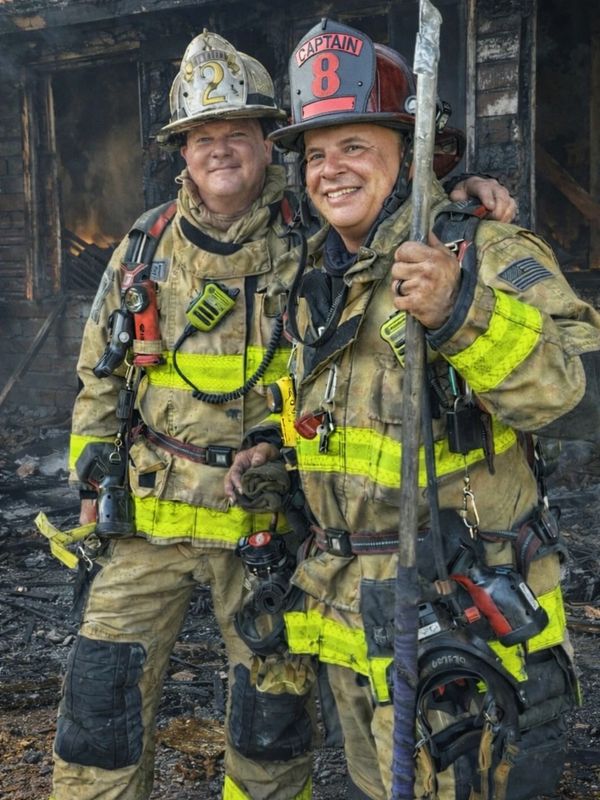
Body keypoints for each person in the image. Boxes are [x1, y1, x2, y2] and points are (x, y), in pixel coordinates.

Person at [46, 26, 516, 800]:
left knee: (273, 720)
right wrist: (93, 475)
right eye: (203, 138)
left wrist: (463, 193)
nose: (220, 150)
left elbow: (401, 215)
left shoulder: (320, 232)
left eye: (239, 133)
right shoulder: (143, 246)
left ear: (270, 143)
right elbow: (99, 369)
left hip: (273, 529)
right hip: (149, 521)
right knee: (99, 705)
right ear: (182, 152)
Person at [226, 18, 600, 800]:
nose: (330, 170)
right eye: (317, 153)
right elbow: (327, 410)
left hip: (463, 625)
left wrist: (464, 313)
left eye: (355, 146)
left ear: (411, 153)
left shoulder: (484, 252)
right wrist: (273, 443)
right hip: (348, 620)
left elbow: (585, 397)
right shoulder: (318, 276)